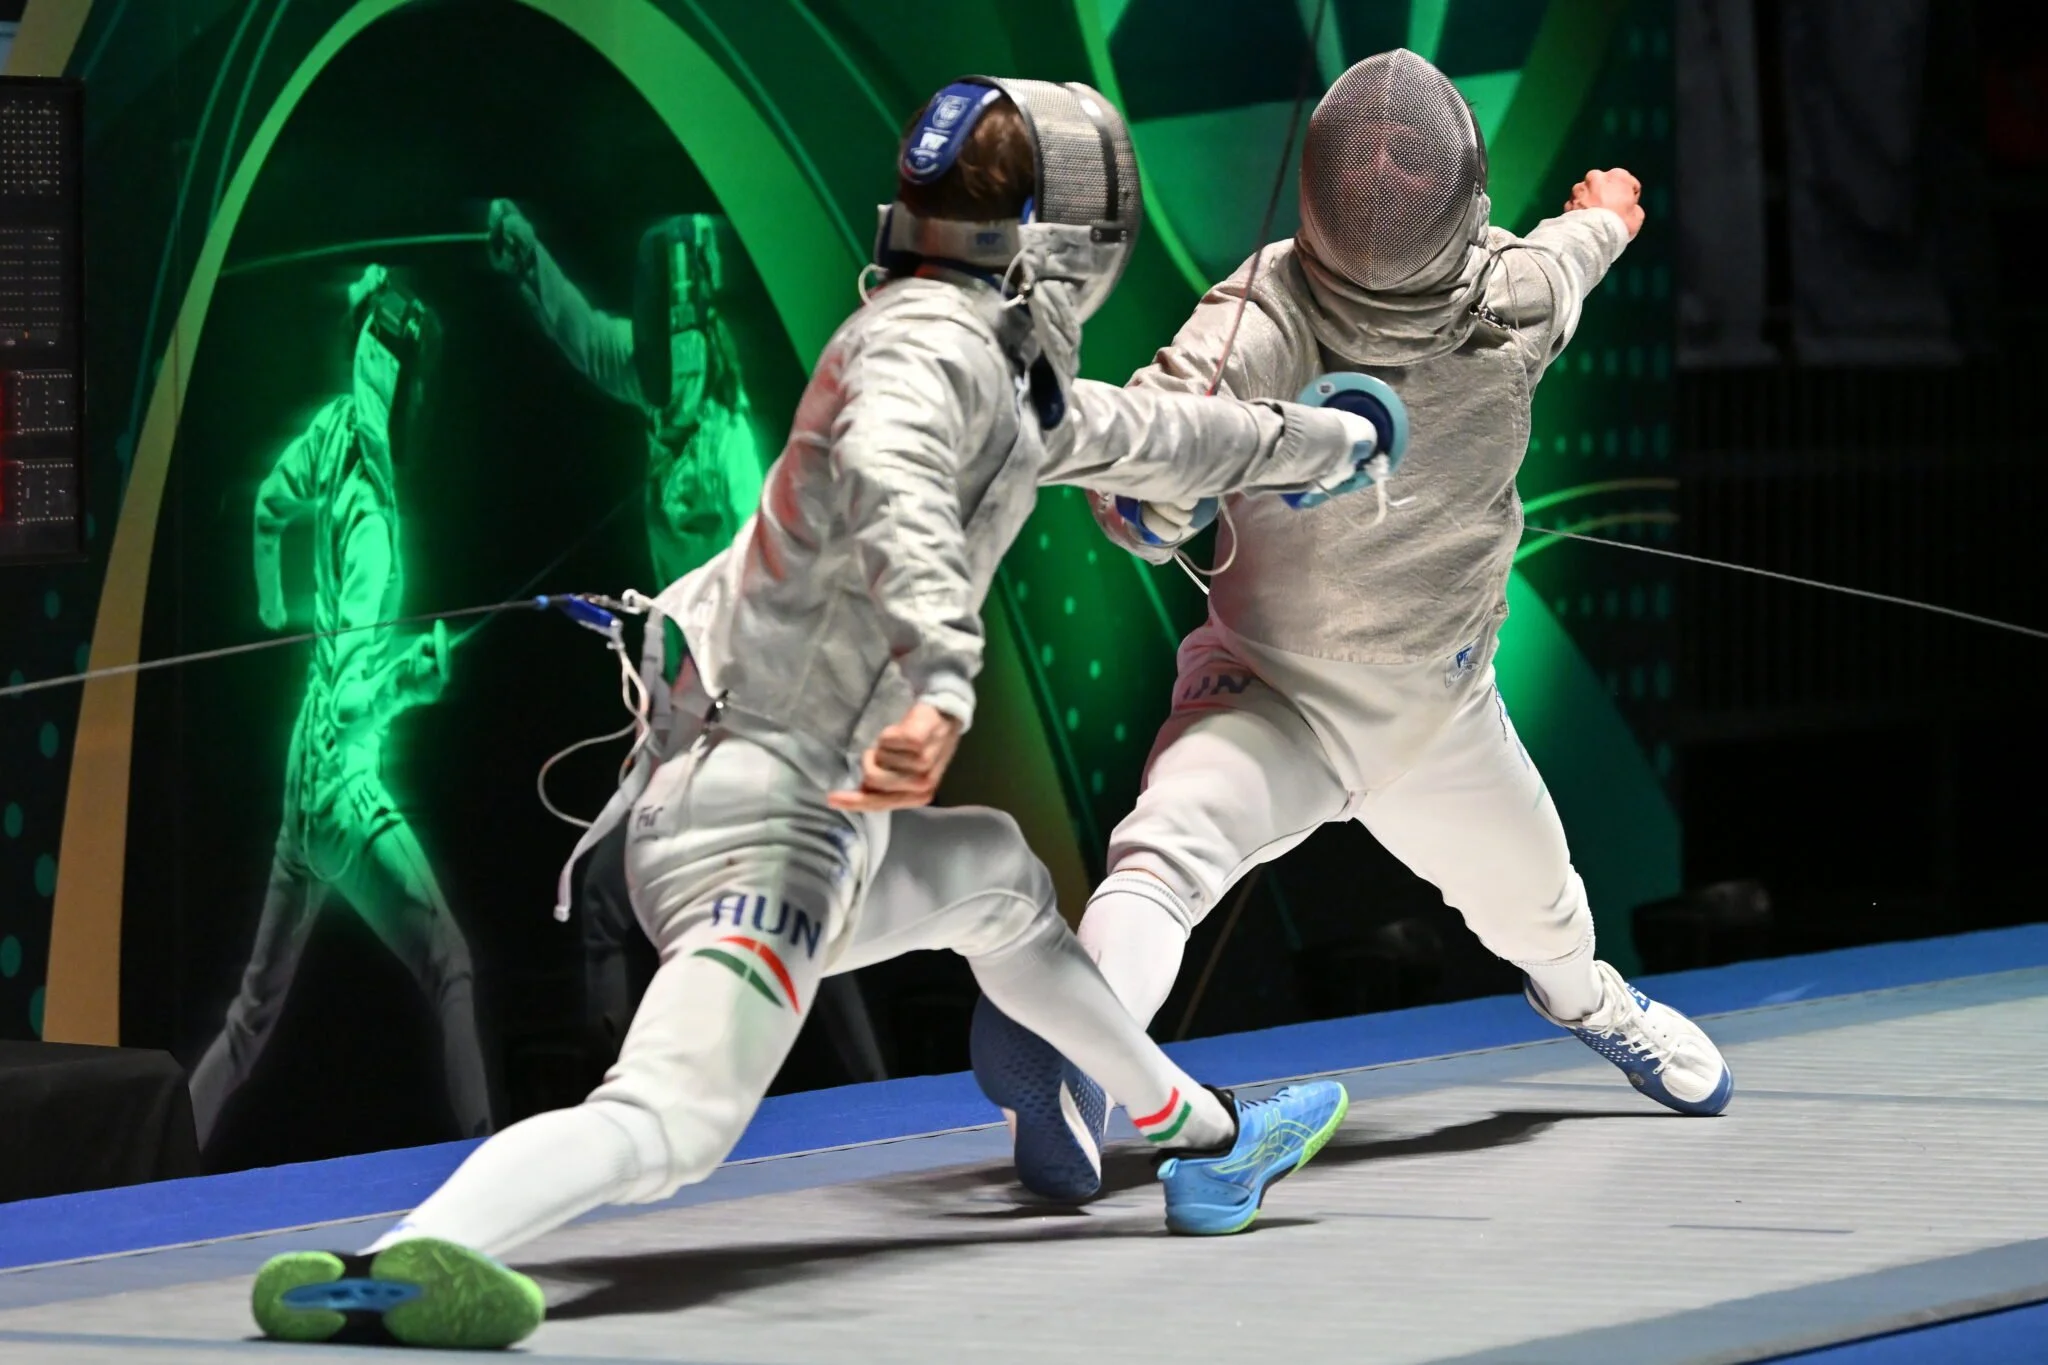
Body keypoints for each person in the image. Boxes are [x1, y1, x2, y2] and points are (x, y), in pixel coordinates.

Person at [247, 75, 1401, 1350]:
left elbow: (1162, 432)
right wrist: (943, 673)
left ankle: (1205, 1138)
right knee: (671, 1125)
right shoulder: (923, 352)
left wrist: (1326, 441)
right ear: (1068, 235)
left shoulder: (996, 369)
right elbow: (897, 480)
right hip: (764, 825)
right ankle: (397, 1265)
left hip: (801, 809)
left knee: (997, 879)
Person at [973, 49, 1734, 1203]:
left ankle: (1593, 1006)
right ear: (1468, 198)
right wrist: (1610, 210)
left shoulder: (1479, 295)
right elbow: (1171, 414)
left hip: (1434, 715)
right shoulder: (1296, 309)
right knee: (1160, 856)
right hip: (1275, 690)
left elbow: (1569, 254)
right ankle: (1079, 1071)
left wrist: (1602, 224)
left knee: (1539, 909)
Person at [190, 266, 491, 1150]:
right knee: (451, 965)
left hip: (301, 769)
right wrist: (412, 682)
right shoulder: (374, 525)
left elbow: (267, 504)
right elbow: (361, 696)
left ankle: (157, 1165)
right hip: (340, 784)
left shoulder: (327, 432)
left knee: (251, 1014)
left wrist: (270, 606)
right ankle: (487, 1164)